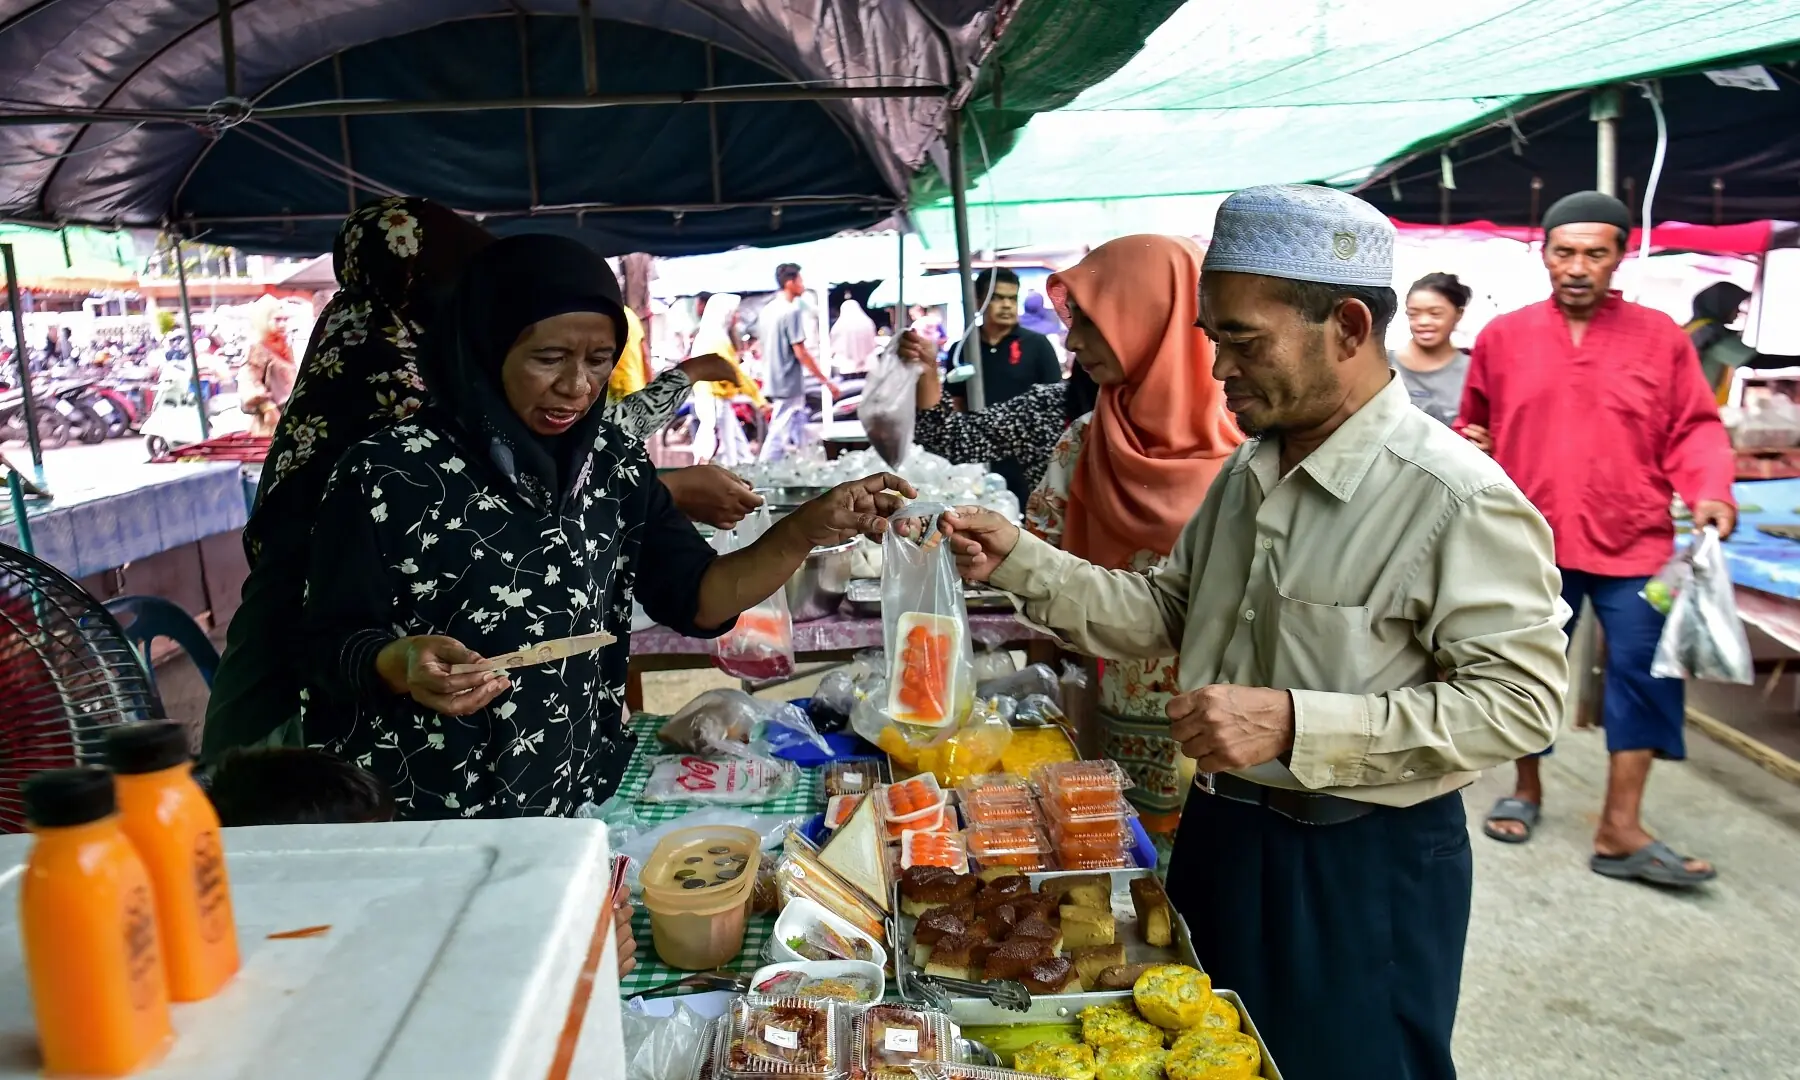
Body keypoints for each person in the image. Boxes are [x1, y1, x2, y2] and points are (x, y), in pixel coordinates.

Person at [938, 185, 1568, 1080]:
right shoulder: (1250, 470)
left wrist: (1296, 724)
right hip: (1226, 831)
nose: (1220, 367)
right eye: (1211, 338)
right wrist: (1017, 559)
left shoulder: (1452, 496)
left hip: (1359, 865)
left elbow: (1522, 704)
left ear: (1347, 326)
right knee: (1206, 1054)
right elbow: (1165, 614)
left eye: (1244, 339)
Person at [298, 233, 910, 819]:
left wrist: (804, 529)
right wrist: (397, 660)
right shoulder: (389, 473)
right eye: (549, 358)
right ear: (485, 346)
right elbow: (323, 643)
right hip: (431, 801)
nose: (577, 386)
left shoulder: (612, 460)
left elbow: (699, 599)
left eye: (598, 361)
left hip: (577, 783)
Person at [204, 197, 746, 762]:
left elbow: (572, 434)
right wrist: (667, 485)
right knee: (275, 790)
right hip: (332, 631)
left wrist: (676, 396)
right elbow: (508, 476)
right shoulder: (398, 356)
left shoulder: (359, 325)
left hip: (309, 609)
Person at [911, 236, 1242, 860]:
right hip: (1110, 706)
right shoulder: (1085, 440)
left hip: (1234, 727)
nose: (1071, 342)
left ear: (1151, 321)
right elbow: (1038, 562)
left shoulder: (1255, 459)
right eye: (1073, 322)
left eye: (1093, 322)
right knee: (1122, 865)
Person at [1460, 190, 1736, 888]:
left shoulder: (1661, 338)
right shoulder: (1503, 337)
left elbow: (1695, 428)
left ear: (1619, 257)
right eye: (1565, 251)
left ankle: (1620, 826)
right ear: (1545, 254)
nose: (1578, 266)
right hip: (1529, 541)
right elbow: (1476, 426)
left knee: (1646, 673)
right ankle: (1526, 788)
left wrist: (1709, 490)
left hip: (1634, 539)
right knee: (1524, 671)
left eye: (1595, 252)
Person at [945, 268, 1064, 501]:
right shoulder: (962, 349)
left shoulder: (1037, 346)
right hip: (975, 458)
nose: (1007, 305)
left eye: (1012, 298)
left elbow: (1056, 404)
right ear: (978, 301)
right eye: (998, 298)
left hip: (1026, 460)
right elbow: (956, 402)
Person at [758, 263, 837, 461]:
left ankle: (808, 462)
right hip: (788, 380)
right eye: (800, 280)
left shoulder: (768, 310)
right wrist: (825, 381)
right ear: (790, 283)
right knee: (780, 428)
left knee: (796, 425)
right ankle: (764, 465)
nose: (803, 285)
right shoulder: (790, 311)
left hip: (773, 377)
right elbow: (800, 351)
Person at [1686, 281, 1800, 403]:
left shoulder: (1693, 329)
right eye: (1736, 306)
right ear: (1723, 305)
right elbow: (1755, 360)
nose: (1738, 312)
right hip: (1695, 407)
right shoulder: (1709, 334)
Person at [689, 293, 766, 465]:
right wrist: (759, 400)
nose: (737, 317)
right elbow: (736, 375)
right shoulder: (717, 341)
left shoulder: (708, 336)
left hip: (712, 398)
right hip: (716, 400)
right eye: (734, 313)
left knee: (739, 450)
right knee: (725, 452)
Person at [1390, 272, 1472, 425]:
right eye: (1413, 314)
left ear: (1459, 313)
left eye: (1435, 314)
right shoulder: (1384, 364)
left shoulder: (1472, 371)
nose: (1423, 321)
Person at [240, 298, 298, 436]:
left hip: (290, 419)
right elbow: (250, 381)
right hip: (270, 424)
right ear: (263, 321)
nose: (283, 324)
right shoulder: (259, 348)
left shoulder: (285, 347)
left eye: (285, 319)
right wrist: (267, 407)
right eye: (277, 320)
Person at [830, 296, 879, 376]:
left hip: (847, 366)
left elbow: (835, 346)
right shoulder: (868, 323)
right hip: (869, 365)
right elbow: (873, 343)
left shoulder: (839, 326)